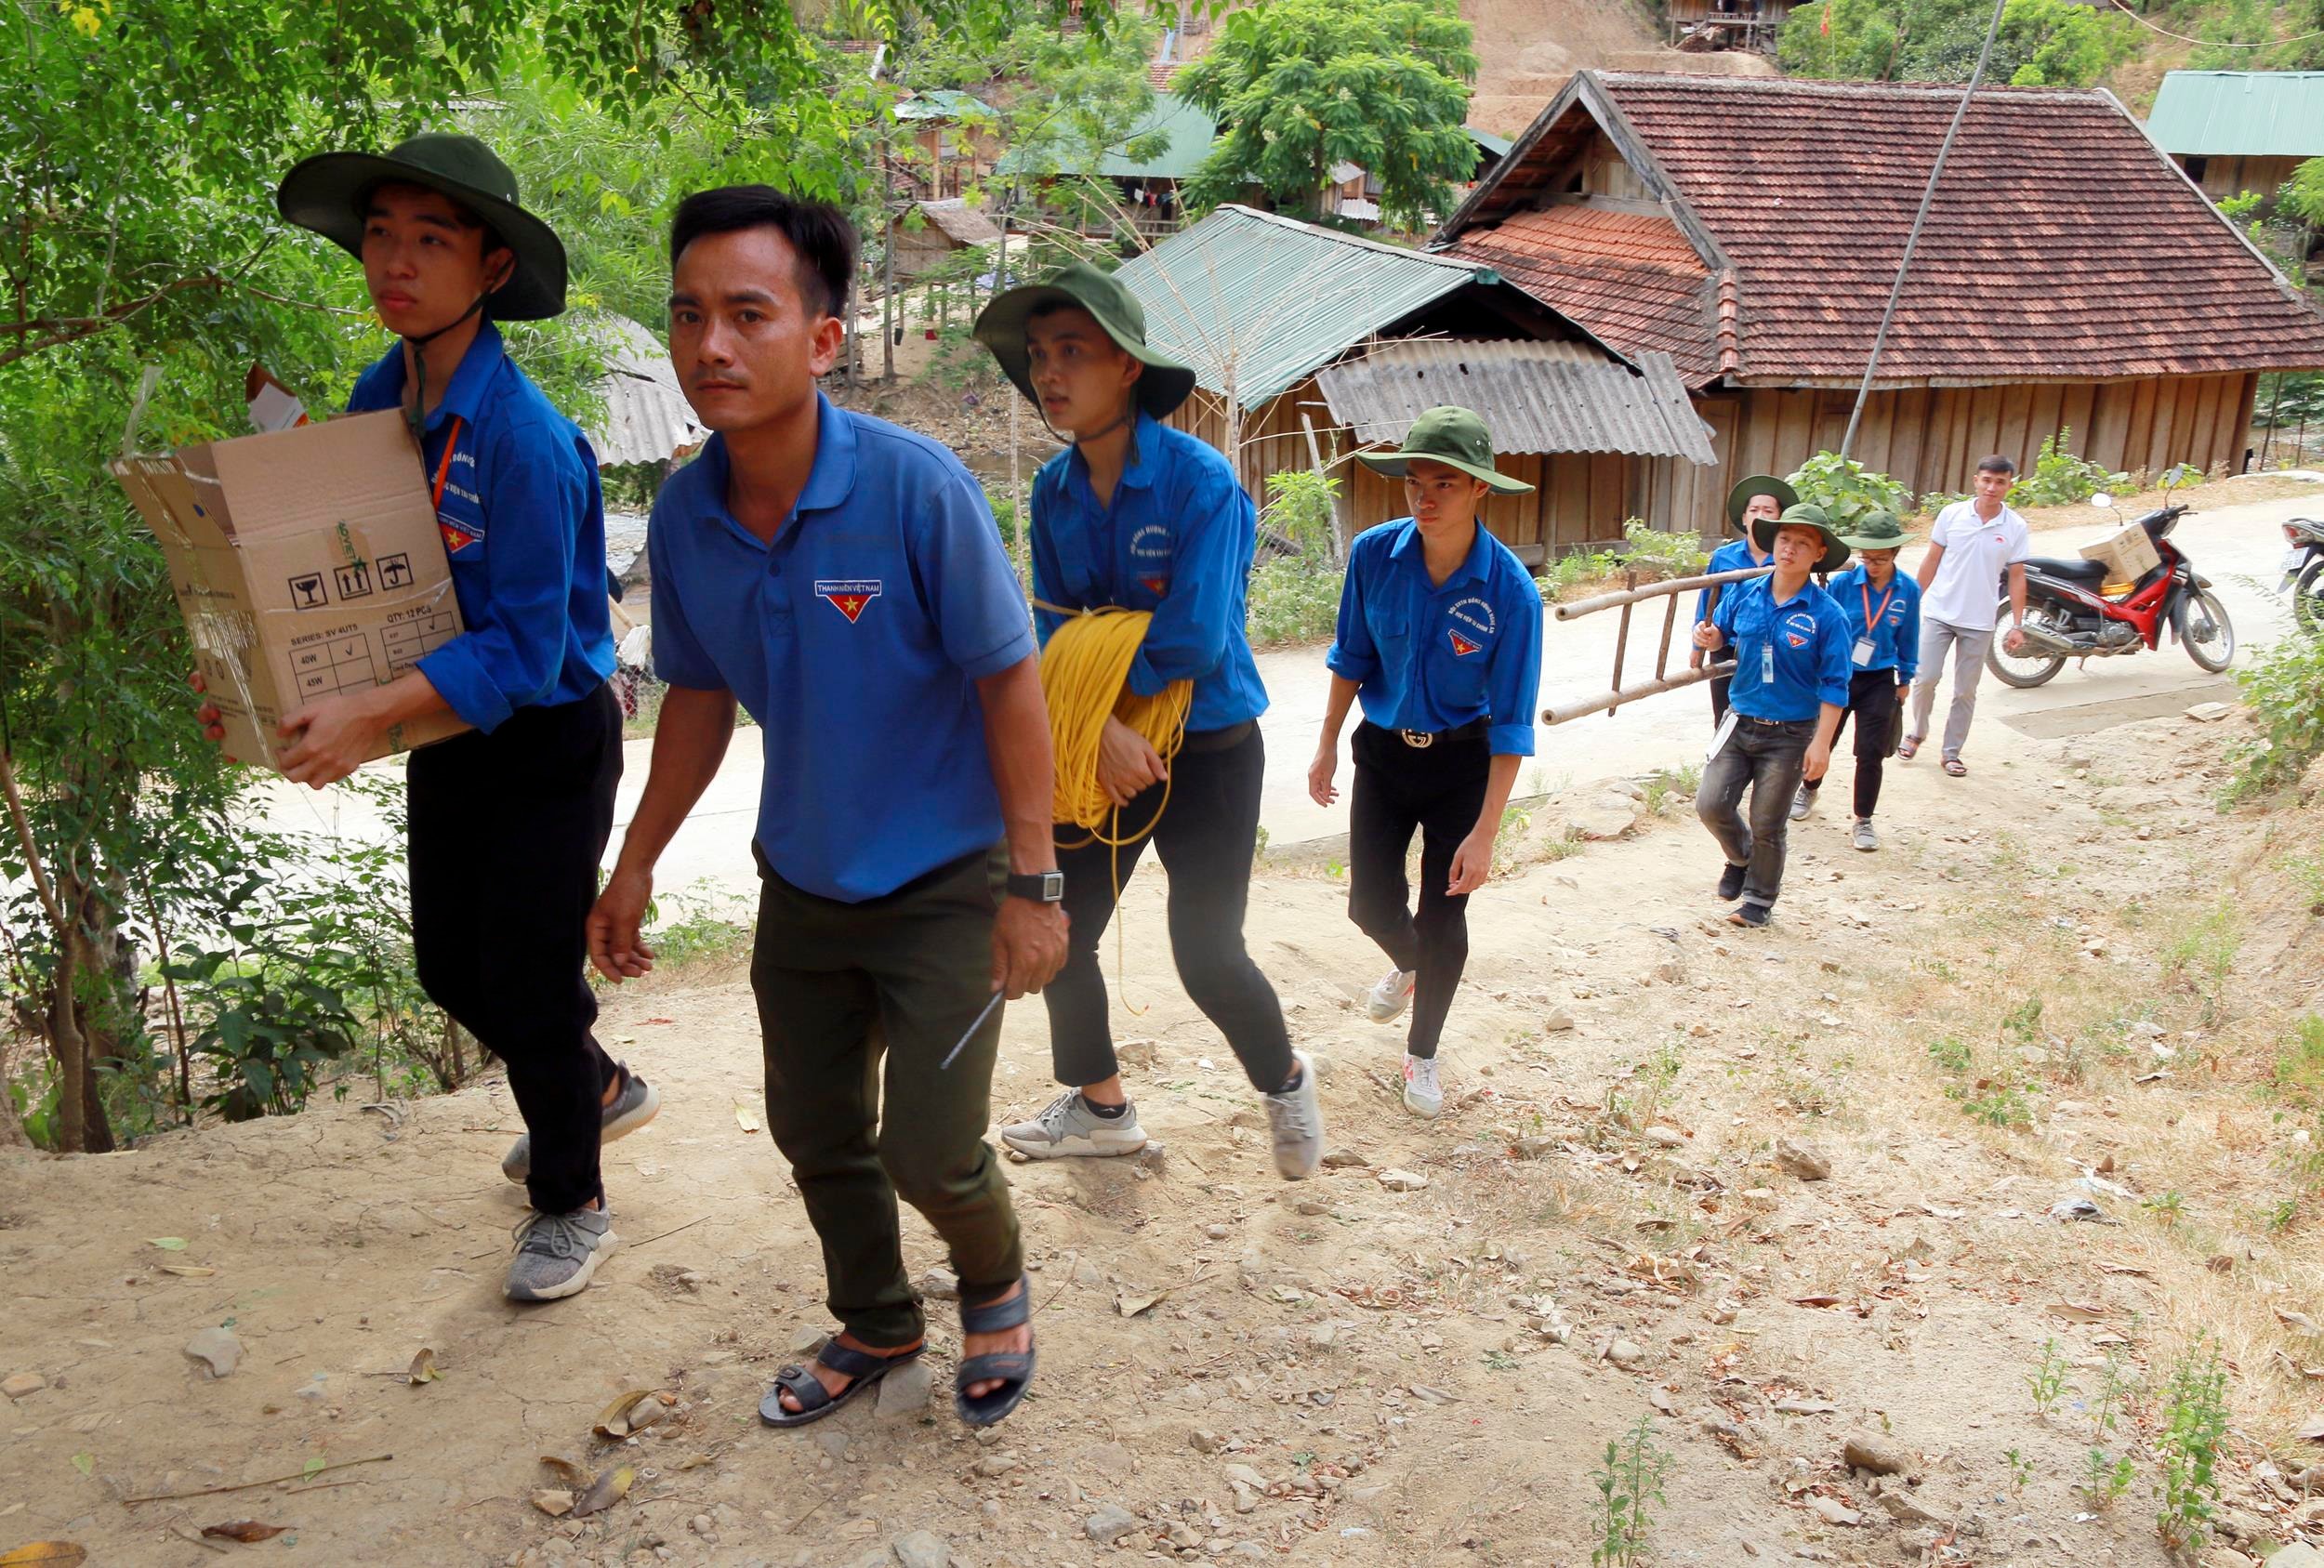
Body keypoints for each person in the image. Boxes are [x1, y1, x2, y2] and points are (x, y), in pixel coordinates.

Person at [585, 187, 1067, 1429]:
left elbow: (1010, 679)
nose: (711, 346)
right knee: (813, 1125)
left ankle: (994, 1279)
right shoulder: (690, 514)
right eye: (690, 315)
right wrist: (633, 860)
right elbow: (693, 697)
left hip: (949, 883)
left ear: (820, 337)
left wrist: (1035, 879)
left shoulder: (915, 490)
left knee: (932, 1147)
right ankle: (878, 1315)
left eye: (749, 313)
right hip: (802, 882)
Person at [199, 135, 649, 1301]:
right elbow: (360, 579)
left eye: (431, 241)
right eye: (382, 235)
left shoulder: (526, 439)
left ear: (492, 268)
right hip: (444, 729)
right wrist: (282, 684)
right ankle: (594, 1086)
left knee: (529, 979)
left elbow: (530, 645)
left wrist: (369, 712)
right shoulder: (377, 396)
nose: (394, 261)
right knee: (451, 965)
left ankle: (572, 1198)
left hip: (546, 737)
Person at [970, 262, 1323, 1180]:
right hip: (1099, 748)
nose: (1049, 373)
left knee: (1206, 952)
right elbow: (1056, 626)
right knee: (1059, 933)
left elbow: (1196, 637)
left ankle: (1283, 1079)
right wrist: (1092, 730)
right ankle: (1101, 1106)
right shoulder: (1051, 491)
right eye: (1040, 356)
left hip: (1205, 748)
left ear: (1127, 367)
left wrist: (1100, 708)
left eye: (1073, 353)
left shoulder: (1202, 485)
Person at [1305, 408, 1544, 1118]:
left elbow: (1511, 723)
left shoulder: (1511, 594)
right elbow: (1352, 655)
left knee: (1445, 918)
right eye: (1415, 481)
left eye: (1445, 482)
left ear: (1481, 492)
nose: (1425, 498)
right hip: (1382, 752)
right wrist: (1324, 744)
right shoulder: (1376, 555)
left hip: (1462, 767)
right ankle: (1411, 963)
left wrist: (1486, 831)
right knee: (1369, 902)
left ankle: (1424, 1052)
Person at [1690, 503, 1853, 928]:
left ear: (1818, 554)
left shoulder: (1827, 615)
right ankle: (1741, 857)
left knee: (1768, 820)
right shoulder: (1747, 592)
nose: (1790, 549)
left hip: (1791, 732)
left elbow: (1836, 684)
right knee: (1710, 803)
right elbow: (1718, 632)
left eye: (1803, 543)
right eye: (1784, 540)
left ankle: (1759, 901)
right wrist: (1707, 636)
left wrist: (1822, 744)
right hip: (1739, 718)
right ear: (1773, 544)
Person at [1793, 510, 1921, 851]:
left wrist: (1905, 677)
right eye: (1867, 558)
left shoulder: (1908, 590)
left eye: (1880, 559)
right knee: (1824, 739)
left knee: (1870, 751)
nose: (1873, 565)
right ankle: (1808, 789)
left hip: (1880, 677)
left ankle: (1863, 819)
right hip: (1839, 675)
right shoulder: (1843, 584)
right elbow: (1823, 628)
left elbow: (1909, 636)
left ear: (1895, 553)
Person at [1903, 454, 2030, 777]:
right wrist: (1913, 599)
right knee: (1925, 678)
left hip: (1980, 620)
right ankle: (1917, 732)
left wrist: (2017, 623)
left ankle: (1951, 752)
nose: (1992, 487)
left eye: (1999, 482)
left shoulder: (2015, 526)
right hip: (1940, 613)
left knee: (1965, 691)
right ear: (1976, 480)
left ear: (2009, 485)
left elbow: (2017, 576)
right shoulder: (1952, 515)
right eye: (1986, 480)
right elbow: (1932, 559)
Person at [1691, 476, 1793, 723]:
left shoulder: (1788, 558)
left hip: (1770, 648)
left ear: (1779, 518)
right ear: (1744, 517)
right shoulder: (1723, 558)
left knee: (1766, 714)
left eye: (1768, 510)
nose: (1760, 515)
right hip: (1725, 644)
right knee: (1724, 716)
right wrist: (1697, 645)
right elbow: (1707, 602)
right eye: (1754, 509)